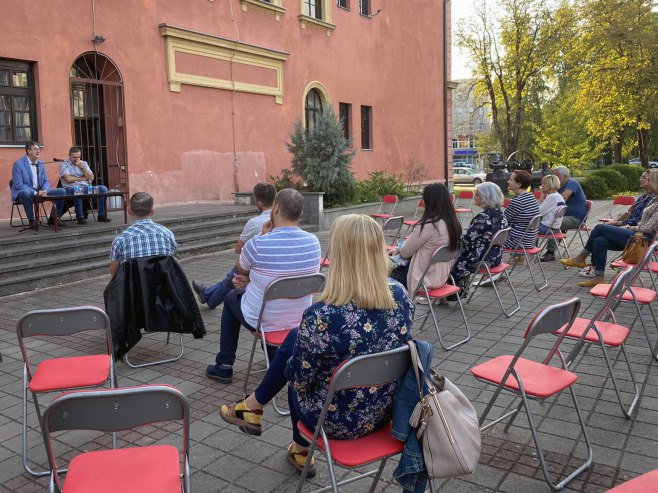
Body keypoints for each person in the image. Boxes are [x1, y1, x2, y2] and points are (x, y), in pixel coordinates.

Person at [217, 214, 413, 478]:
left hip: (332, 423)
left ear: (338, 254)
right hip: (385, 414)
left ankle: (295, 445)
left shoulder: (322, 315)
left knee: (292, 368)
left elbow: (299, 381)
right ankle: (253, 407)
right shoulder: (400, 295)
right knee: (296, 337)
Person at [206, 188, 321, 384]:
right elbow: (294, 275)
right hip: (300, 321)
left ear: (274, 209)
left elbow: (239, 269)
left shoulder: (257, 244)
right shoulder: (314, 242)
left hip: (264, 320)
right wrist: (255, 279)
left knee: (230, 297)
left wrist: (260, 236)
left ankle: (224, 365)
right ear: (301, 213)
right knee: (250, 293)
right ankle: (275, 353)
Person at [560, 169, 658, 287]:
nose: (640, 179)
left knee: (600, 228)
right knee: (599, 241)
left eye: (643, 177)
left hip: (642, 239)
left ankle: (581, 258)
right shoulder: (645, 197)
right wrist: (618, 223)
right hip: (633, 235)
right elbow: (635, 217)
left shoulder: (656, 202)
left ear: (651, 180)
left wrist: (628, 227)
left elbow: (647, 228)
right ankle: (599, 277)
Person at [192, 183, 276, 309]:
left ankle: (208, 296)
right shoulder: (281, 221)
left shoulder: (254, 223)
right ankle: (206, 293)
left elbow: (238, 249)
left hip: (255, 266)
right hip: (272, 265)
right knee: (230, 276)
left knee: (234, 276)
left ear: (259, 203)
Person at [388, 183, 462, 297]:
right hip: (441, 277)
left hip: (422, 279)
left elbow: (405, 252)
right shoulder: (454, 224)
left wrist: (399, 250)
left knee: (381, 274)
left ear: (429, 201)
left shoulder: (430, 224)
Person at [450, 182, 508, 297]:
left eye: (477, 195)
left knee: (445, 259)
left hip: (481, 259)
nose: (474, 197)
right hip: (495, 257)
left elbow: (467, 241)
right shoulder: (501, 216)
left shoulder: (483, 218)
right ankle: (457, 293)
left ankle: (450, 293)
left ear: (485, 198)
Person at [109, 192, 177, 279]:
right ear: (152, 212)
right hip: (163, 290)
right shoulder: (167, 234)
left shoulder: (120, 240)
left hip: (132, 291)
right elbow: (171, 261)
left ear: (129, 211)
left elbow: (114, 274)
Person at [11, 141, 66, 229]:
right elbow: (18, 185)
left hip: (40, 190)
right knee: (26, 193)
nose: (38, 151)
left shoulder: (40, 163)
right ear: (28, 151)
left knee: (61, 191)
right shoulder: (18, 164)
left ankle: (53, 219)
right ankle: (32, 221)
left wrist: (45, 190)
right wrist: (35, 193)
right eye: (35, 149)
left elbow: (46, 181)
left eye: (39, 149)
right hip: (23, 192)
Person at [541, 166, 587, 262]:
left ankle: (550, 252)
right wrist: (544, 193)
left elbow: (564, 197)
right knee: (543, 219)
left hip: (576, 219)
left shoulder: (572, 183)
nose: (554, 178)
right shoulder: (557, 187)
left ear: (565, 176)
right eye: (553, 176)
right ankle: (532, 246)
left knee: (553, 222)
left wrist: (550, 195)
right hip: (563, 216)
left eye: (557, 176)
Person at [59, 146, 111, 224]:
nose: (76, 159)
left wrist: (82, 168)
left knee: (103, 189)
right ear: (69, 155)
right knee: (78, 190)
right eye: (74, 157)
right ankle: (80, 217)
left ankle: (101, 215)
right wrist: (83, 178)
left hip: (86, 188)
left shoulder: (84, 163)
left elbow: (91, 177)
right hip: (70, 189)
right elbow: (68, 179)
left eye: (78, 157)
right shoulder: (64, 164)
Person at [504, 170, 540, 251]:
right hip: (529, 240)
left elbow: (503, 220)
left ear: (519, 184)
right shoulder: (531, 198)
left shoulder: (517, 201)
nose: (508, 181)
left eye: (511, 180)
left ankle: (488, 262)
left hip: (517, 242)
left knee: (484, 239)